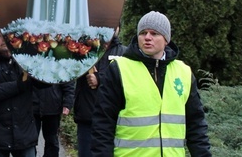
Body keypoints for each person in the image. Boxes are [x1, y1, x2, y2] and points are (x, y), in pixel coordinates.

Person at [91, 11, 211, 156]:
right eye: (143, 33)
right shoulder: (119, 69)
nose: (147, 37)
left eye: (154, 33)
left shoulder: (183, 72)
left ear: (166, 39)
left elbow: (196, 125)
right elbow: (103, 124)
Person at [0, 27, 48, 157]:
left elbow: (44, 84)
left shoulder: (26, 62)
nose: (4, 40)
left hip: (24, 132)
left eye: (7, 36)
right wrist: (18, 86)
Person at [73, 25, 126, 157]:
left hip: (113, 121)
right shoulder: (85, 50)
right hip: (87, 118)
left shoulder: (123, 53)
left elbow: (127, 80)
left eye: (114, 26)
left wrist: (100, 78)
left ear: (118, 28)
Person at [33, 81, 75, 157]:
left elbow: (67, 80)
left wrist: (68, 103)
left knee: (51, 141)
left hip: (53, 106)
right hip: (31, 106)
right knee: (29, 142)